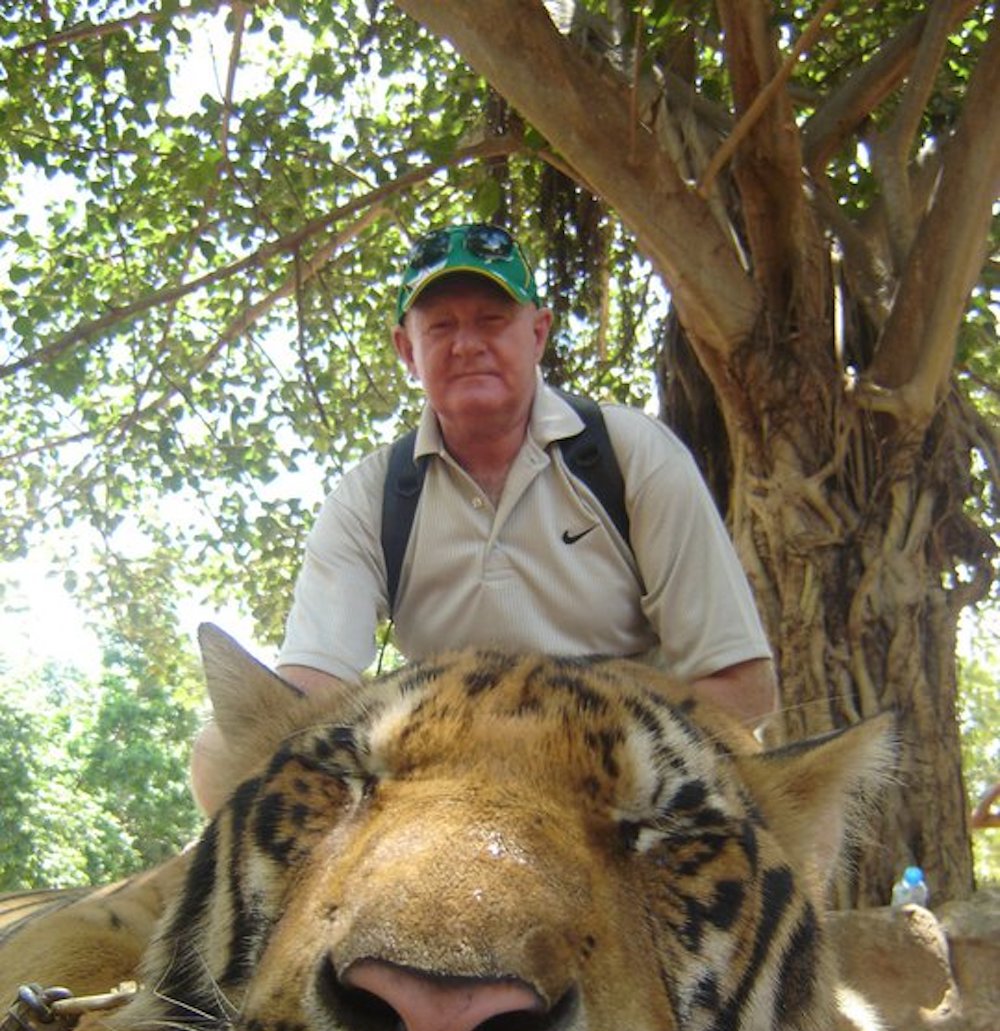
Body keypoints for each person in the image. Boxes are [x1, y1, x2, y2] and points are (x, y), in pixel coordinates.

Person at [191, 222, 776, 814]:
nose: (466, 344)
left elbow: (742, 688)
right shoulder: (370, 497)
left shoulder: (632, 455)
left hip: (619, 771)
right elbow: (307, 697)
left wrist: (595, 756)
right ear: (406, 351)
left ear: (538, 333)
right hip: (437, 770)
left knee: (789, 789)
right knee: (220, 751)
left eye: (492, 320)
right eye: (440, 326)